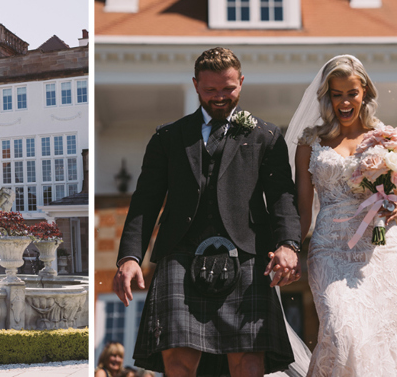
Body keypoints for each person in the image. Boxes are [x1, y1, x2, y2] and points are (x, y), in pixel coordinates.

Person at [113, 47, 302, 377]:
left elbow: (282, 199)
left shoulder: (266, 136)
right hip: (180, 252)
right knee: (178, 358)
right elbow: (145, 201)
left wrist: (288, 245)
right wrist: (130, 257)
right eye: (210, 89)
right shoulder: (168, 137)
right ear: (195, 85)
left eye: (228, 89)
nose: (219, 97)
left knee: (248, 361)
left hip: (247, 255)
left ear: (241, 82)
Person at [289, 54, 397, 376]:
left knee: (382, 338)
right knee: (342, 331)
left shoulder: (385, 139)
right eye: (337, 94)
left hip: (379, 252)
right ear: (327, 97)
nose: (345, 102)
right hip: (329, 250)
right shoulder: (310, 142)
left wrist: (388, 209)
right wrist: (289, 249)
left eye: (352, 92)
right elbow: (302, 210)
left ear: (365, 92)